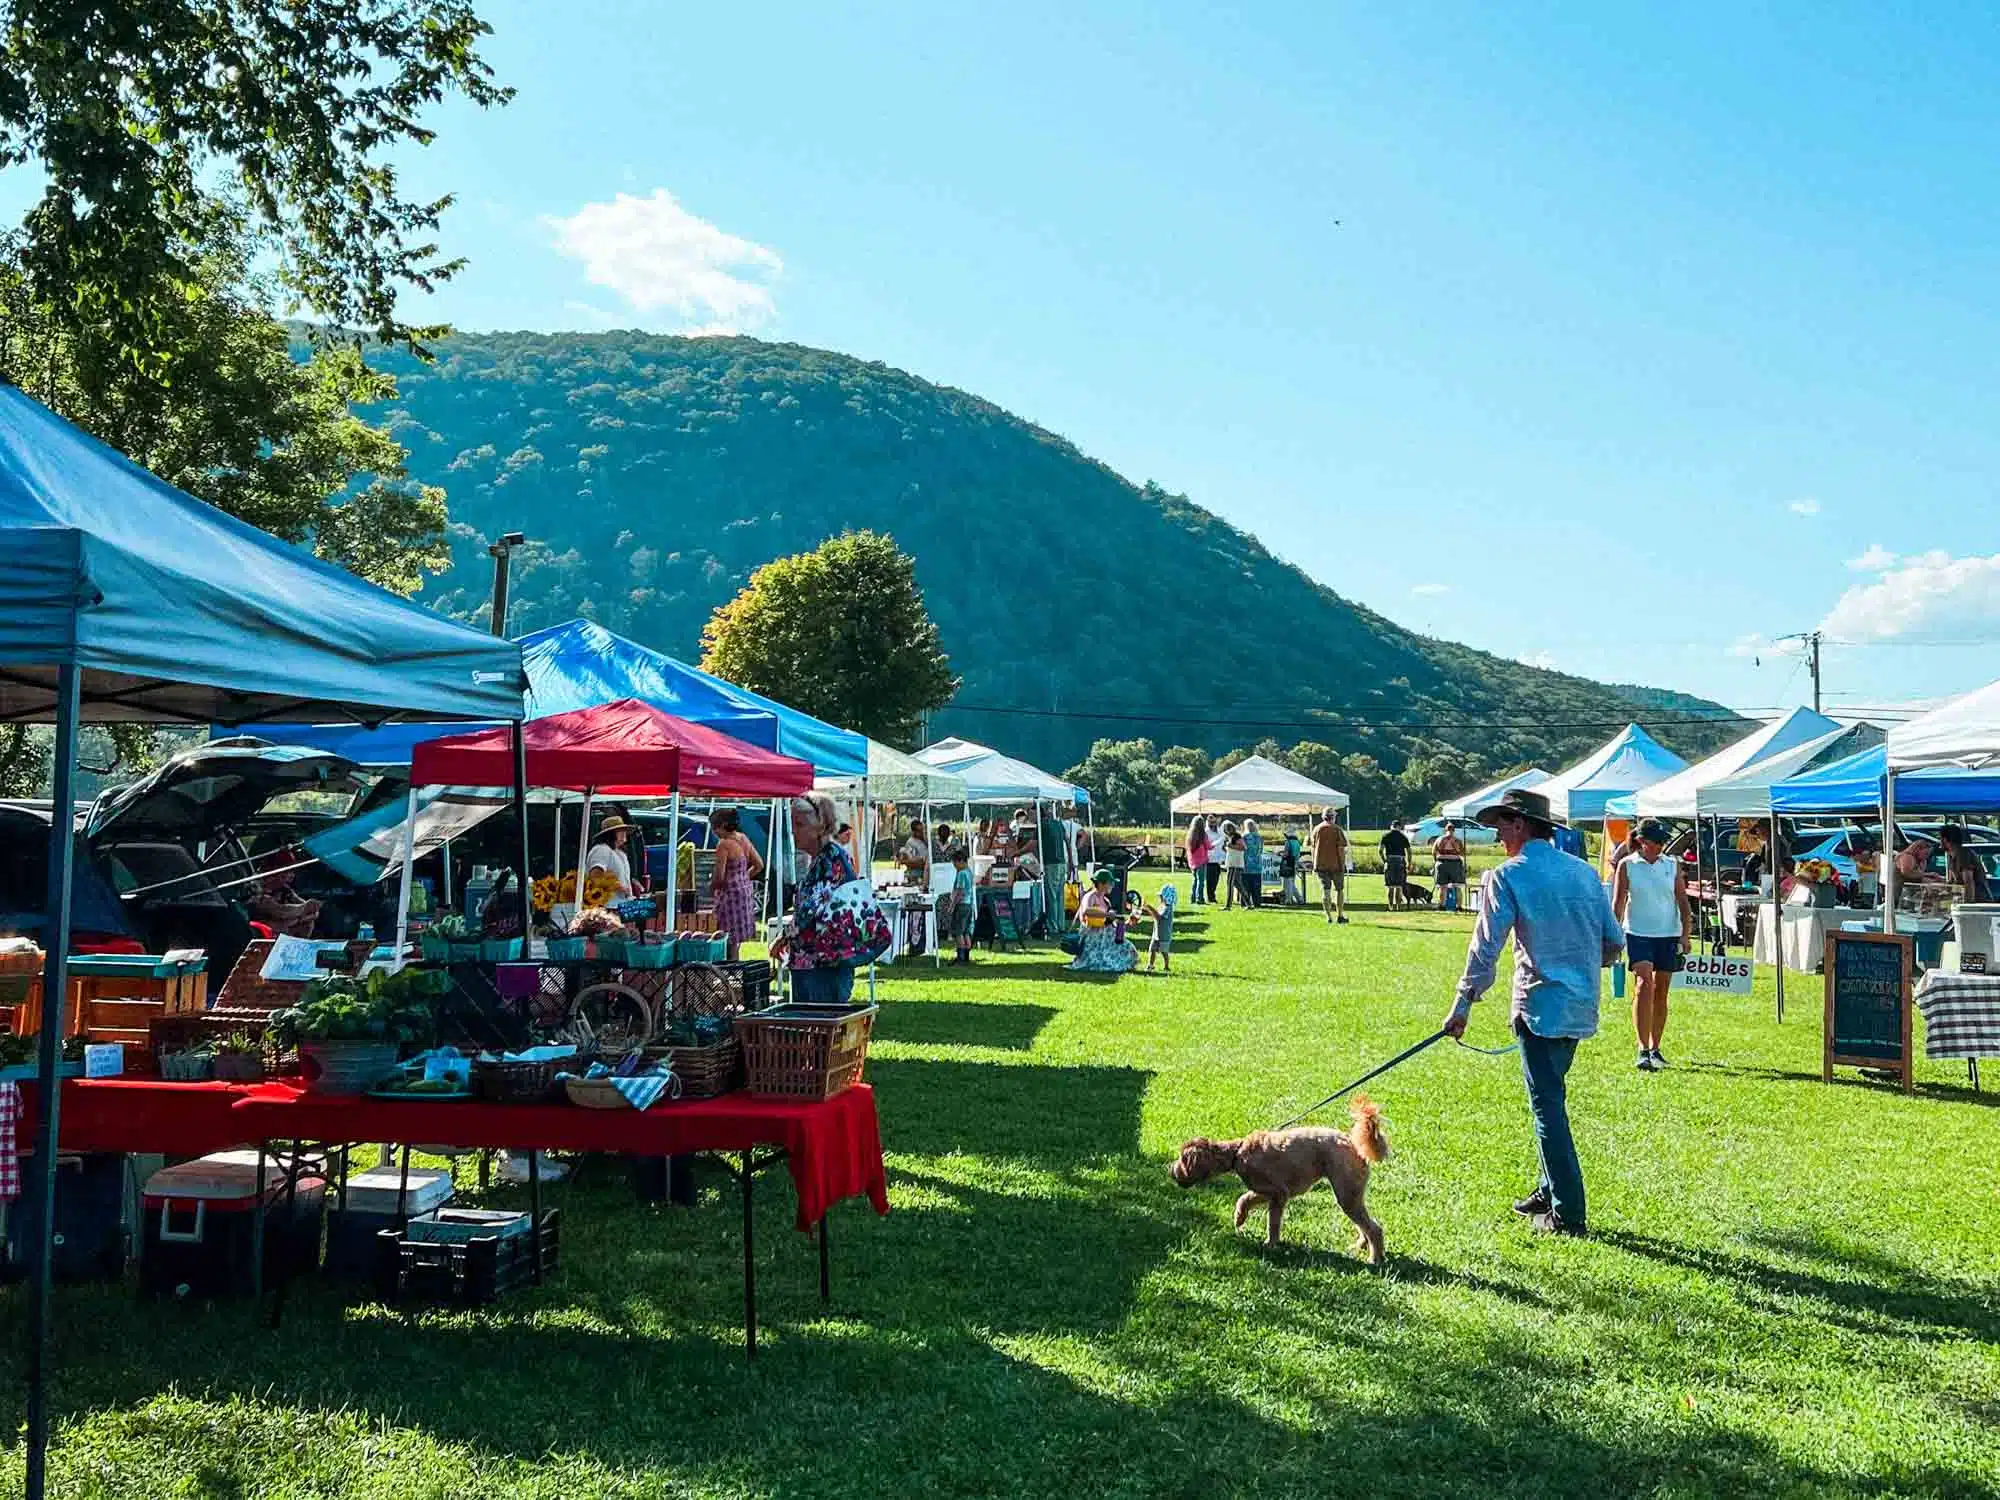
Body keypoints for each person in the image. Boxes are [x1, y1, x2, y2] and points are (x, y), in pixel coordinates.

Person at [1442, 788, 1624, 1238]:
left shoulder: (1508, 875)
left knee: (1548, 1110)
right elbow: (1614, 943)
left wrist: (1462, 1004)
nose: (1498, 833)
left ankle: (1568, 1213)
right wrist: (1581, 964)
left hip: (1539, 1007)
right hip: (1580, 1008)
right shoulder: (1584, 874)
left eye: (1502, 823)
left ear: (1521, 824)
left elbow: (1485, 946)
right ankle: (1548, 1189)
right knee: (1551, 1097)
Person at [773, 791, 871, 1003]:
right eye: (792, 824)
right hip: (811, 962)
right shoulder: (820, 859)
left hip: (824, 965)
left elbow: (813, 908)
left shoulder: (831, 859)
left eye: (799, 825)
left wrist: (786, 935)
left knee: (821, 1027)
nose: (793, 832)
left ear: (821, 826)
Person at [1611, 818, 1690, 1072]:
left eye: (1662, 841)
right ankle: (1642, 1048)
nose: (1660, 846)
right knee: (1644, 982)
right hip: (1637, 932)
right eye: (1655, 841)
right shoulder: (1627, 865)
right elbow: (1619, 902)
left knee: (1661, 990)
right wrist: (1614, 935)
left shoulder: (1672, 865)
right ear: (1642, 841)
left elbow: (1682, 900)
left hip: (1667, 933)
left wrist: (1685, 934)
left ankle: (1656, 1047)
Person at [708, 807, 766, 961]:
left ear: (722, 826)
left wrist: (710, 888)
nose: (714, 831)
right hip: (744, 891)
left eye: (715, 827)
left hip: (729, 895)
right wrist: (742, 878)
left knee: (725, 936)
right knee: (736, 939)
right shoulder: (743, 838)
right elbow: (759, 864)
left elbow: (719, 878)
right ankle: (735, 970)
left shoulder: (724, 844)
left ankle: (729, 972)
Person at [1068, 868, 1138, 973]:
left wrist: (1127, 923)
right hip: (1091, 935)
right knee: (1104, 957)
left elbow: (1109, 923)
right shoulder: (1089, 896)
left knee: (1128, 947)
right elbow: (1086, 911)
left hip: (1105, 934)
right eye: (1110, 883)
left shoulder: (1106, 901)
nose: (1112, 886)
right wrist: (1106, 914)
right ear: (1101, 884)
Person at [585, 815, 638, 902]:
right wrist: (619, 887)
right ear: (610, 834)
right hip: (606, 906)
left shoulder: (619, 852)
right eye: (619, 831)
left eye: (624, 830)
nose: (624, 833)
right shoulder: (601, 850)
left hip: (620, 904)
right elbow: (595, 876)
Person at [1311, 807, 1349, 924]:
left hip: (1320, 864)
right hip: (1336, 865)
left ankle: (1328, 916)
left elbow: (1312, 848)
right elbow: (1341, 849)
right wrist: (1343, 865)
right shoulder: (1337, 829)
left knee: (1325, 891)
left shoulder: (1316, 829)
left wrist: (1314, 864)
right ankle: (1340, 915)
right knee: (1339, 890)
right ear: (1333, 817)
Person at [1039, 802, 1070, 936]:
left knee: (1051, 896)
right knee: (1059, 895)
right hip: (1062, 862)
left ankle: (1053, 926)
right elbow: (1067, 842)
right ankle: (1061, 924)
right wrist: (1071, 862)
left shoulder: (1042, 825)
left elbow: (1033, 844)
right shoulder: (1059, 824)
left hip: (1050, 863)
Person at [1940, 825, 1991, 902]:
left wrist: (1967, 905)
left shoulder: (1963, 855)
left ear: (1945, 839)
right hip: (1970, 900)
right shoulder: (1953, 856)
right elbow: (1953, 882)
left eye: (1940, 838)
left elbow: (1968, 882)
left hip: (1979, 902)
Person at [947, 845, 976, 964]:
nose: (954, 866)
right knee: (966, 931)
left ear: (960, 861)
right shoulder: (969, 872)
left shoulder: (961, 874)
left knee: (958, 932)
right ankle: (967, 956)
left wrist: (952, 906)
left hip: (961, 905)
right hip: (969, 904)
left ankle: (960, 957)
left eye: (955, 863)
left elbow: (959, 891)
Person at [1142, 883, 1178, 973]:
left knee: (1163, 951)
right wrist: (1147, 910)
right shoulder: (1162, 906)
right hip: (1156, 933)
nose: (1160, 898)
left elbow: (1158, 917)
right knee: (1152, 949)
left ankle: (1166, 966)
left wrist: (1149, 907)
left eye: (1161, 896)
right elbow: (1155, 916)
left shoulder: (1168, 908)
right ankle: (1150, 965)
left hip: (1164, 934)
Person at [1434, 820, 1468, 911]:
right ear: (1454, 830)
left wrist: (1436, 862)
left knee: (1443, 886)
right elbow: (1462, 853)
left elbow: (1434, 852)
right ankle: (1459, 906)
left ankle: (1442, 905)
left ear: (1445, 830)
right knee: (1457, 886)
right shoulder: (1457, 840)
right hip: (1455, 863)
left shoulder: (1439, 839)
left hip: (1442, 863)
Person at [1380, 820, 1412, 911]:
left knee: (1390, 886)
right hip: (1400, 861)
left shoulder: (1385, 836)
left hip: (1389, 861)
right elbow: (1409, 852)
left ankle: (1390, 906)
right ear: (1399, 827)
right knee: (1399, 886)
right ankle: (1398, 906)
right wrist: (1409, 863)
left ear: (1391, 826)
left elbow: (1380, 850)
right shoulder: (1403, 837)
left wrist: (1384, 860)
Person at [1184, 816, 1210, 905]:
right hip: (1201, 860)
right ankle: (1200, 898)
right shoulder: (1203, 835)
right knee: (1201, 881)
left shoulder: (1190, 835)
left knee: (1195, 880)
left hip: (1192, 860)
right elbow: (1208, 846)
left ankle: (1193, 898)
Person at [1220, 821, 1245, 909]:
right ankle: (1248, 903)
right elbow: (1232, 850)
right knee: (1237, 884)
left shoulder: (1237, 836)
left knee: (1229, 883)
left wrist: (1230, 846)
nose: (1227, 830)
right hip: (1231, 862)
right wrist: (1225, 848)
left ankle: (1228, 905)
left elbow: (1243, 847)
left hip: (1235, 863)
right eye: (1226, 829)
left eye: (1228, 828)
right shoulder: (1229, 837)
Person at [1242, 819, 1266, 909]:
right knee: (1256, 886)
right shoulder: (1259, 837)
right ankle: (1257, 902)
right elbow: (1261, 850)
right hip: (1257, 865)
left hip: (1246, 865)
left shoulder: (1244, 837)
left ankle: (1245, 902)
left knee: (1246, 886)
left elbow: (1242, 850)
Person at [899, 820, 931, 885]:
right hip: (916, 876)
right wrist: (923, 862)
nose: (922, 832)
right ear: (914, 831)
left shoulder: (924, 841)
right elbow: (910, 861)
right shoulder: (911, 843)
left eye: (923, 830)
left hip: (925, 874)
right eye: (920, 830)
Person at [1280, 829, 1303, 905]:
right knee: (1291, 882)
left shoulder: (1288, 842)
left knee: (1288, 882)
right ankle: (1299, 899)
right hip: (1295, 862)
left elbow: (1286, 854)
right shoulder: (1297, 842)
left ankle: (1289, 900)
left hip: (1289, 864)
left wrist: (1280, 854)